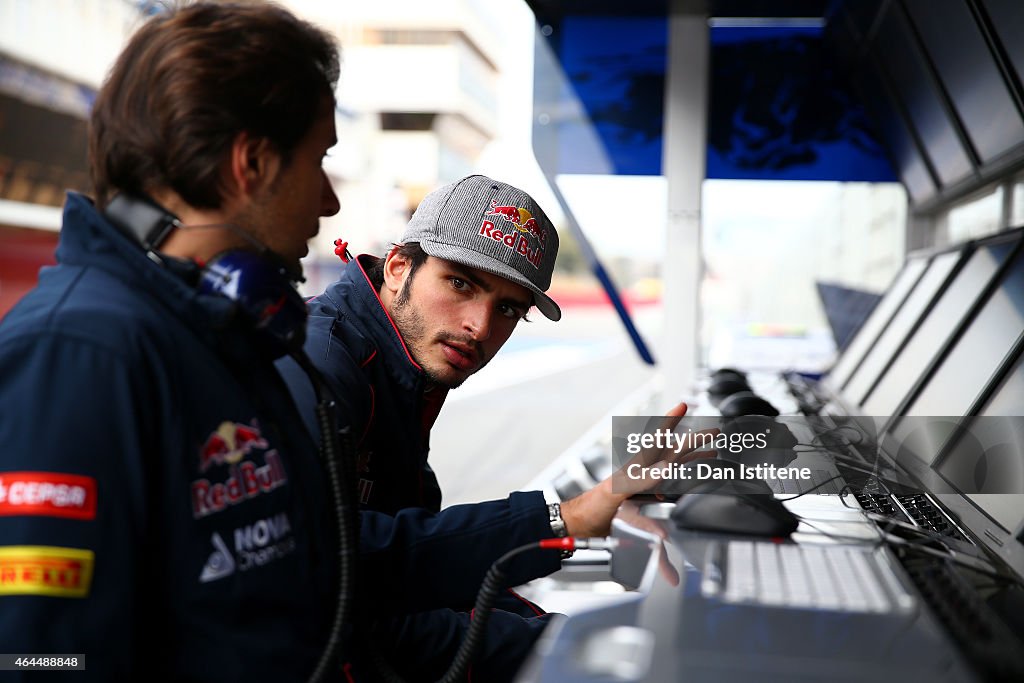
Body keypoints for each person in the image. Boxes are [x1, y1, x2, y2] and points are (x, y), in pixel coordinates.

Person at [0, 5, 569, 681]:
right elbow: (35, 657)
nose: (329, 200)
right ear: (251, 162)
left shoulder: (230, 341)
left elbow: (335, 562)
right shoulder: (81, 351)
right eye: (320, 159)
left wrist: (555, 526)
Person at [278, 175, 693, 680]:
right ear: (398, 266)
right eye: (460, 283)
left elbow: (412, 571)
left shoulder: (399, 369)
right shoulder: (320, 366)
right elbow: (333, 581)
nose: (480, 326)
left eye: (508, 308)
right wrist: (563, 529)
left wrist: (562, 629)